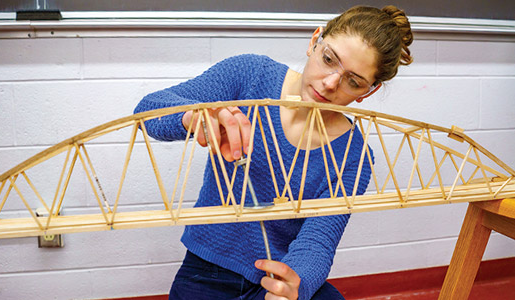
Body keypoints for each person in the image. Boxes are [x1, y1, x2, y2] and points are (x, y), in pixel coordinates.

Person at [134, 5, 413, 300]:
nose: (331, 83)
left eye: (353, 81)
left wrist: (294, 287)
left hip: (275, 277)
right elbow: (147, 110)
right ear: (314, 41)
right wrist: (192, 118)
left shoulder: (353, 155)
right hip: (206, 273)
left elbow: (318, 241)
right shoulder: (249, 75)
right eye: (328, 59)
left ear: (368, 91)